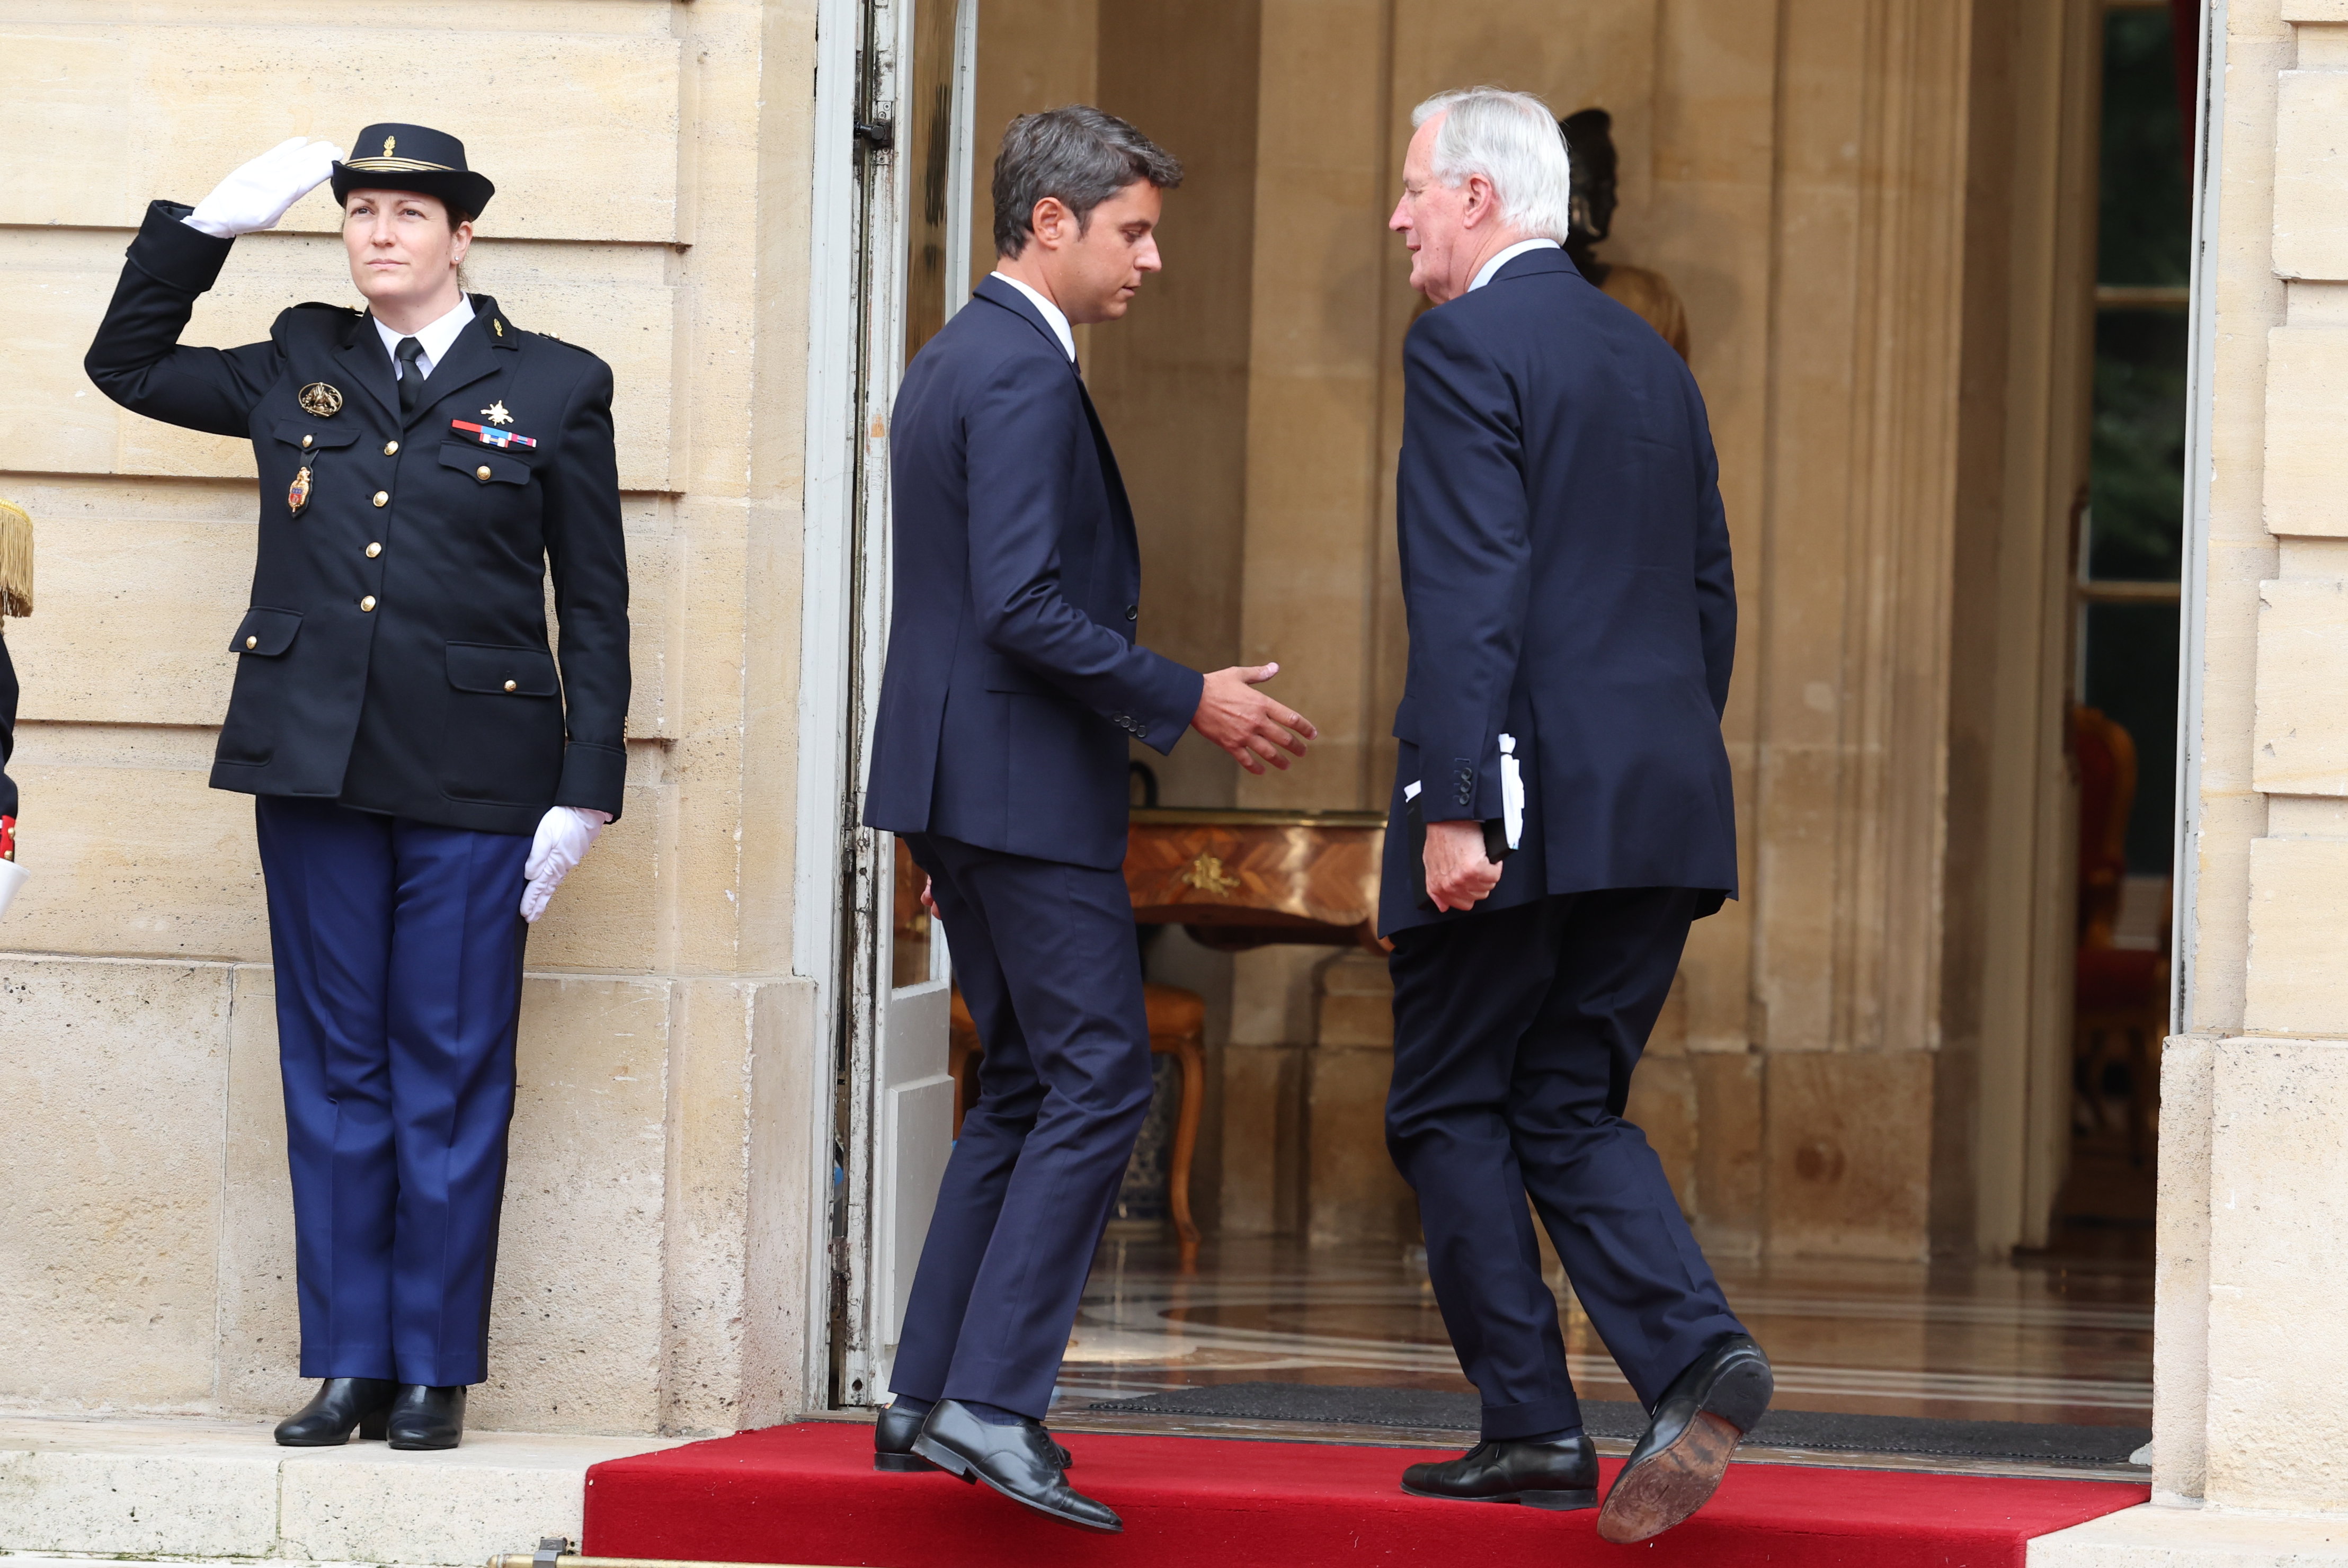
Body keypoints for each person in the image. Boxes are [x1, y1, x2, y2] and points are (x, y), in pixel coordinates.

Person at [84, 126, 629, 1451]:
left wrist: (587, 785)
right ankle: (349, 1362)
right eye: (361, 212)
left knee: (447, 1068)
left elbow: (596, 602)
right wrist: (205, 229)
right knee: (334, 1068)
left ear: (461, 237)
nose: (378, 233)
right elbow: (127, 366)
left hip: (475, 777)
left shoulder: (552, 383)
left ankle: (435, 1365)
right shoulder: (300, 358)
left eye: (408, 214)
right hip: (313, 763)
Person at [860, 105, 1315, 1533]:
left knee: (1031, 1086)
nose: (1153, 260)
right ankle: (994, 1403)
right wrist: (1195, 698)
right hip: (1016, 789)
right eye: (1134, 230)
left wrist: (940, 816)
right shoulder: (1020, 375)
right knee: (1103, 1081)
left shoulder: (956, 359)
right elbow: (1018, 606)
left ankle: (928, 1397)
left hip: (966, 787)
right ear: (1047, 223)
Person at [1377, 87, 1771, 1544]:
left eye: (1418, 187)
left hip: (1521, 806)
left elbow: (1469, 585)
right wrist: (1649, 760)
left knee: (1446, 1099)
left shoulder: (1466, 340)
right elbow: (1708, 596)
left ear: (1480, 197)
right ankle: (1692, 1355)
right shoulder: (1653, 364)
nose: (1403, 213)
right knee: (1565, 1100)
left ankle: (1535, 1428)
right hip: (1658, 804)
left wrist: (1459, 807)